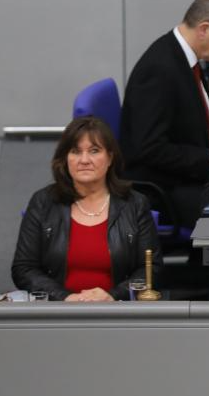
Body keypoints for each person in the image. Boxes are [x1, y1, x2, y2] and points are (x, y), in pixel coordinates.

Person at [120, 0, 209, 228]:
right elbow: (149, 149)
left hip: (184, 177)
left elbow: (177, 119)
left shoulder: (184, 57)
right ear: (204, 29)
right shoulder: (159, 69)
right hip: (164, 190)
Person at [12, 116, 160, 301]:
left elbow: (151, 268)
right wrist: (66, 298)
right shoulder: (43, 202)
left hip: (116, 309)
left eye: (94, 151)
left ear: (110, 158)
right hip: (58, 310)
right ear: (65, 159)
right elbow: (24, 268)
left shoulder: (135, 203)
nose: (84, 160)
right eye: (75, 151)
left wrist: (112, 296)